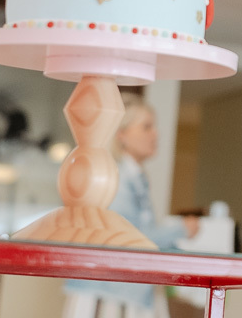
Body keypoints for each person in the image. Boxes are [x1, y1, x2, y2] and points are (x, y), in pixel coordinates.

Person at [63, 95, 197, 318]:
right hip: (107, 294)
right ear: (121, 134)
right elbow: (130, 238)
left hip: (122, 291)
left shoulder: (135, 178)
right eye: (146, 127)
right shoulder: (116, 179)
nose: (156, 134)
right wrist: (181, 229)